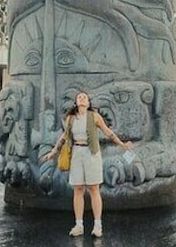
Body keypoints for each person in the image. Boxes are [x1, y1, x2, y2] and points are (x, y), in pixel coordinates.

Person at [41, 91, 133, 238]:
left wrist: (122, 144)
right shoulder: (70, 118)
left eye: (84, 97)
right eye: (79, 97)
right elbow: (64, 137)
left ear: (88, 103)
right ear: (76, 102)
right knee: (78, 189)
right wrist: (53, 152)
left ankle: (98, 225)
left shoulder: (94, 116)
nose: (82, 98)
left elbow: (108, 132)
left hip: (92, 154)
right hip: (77, 152)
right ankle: (79, 225)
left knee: (94, 189)